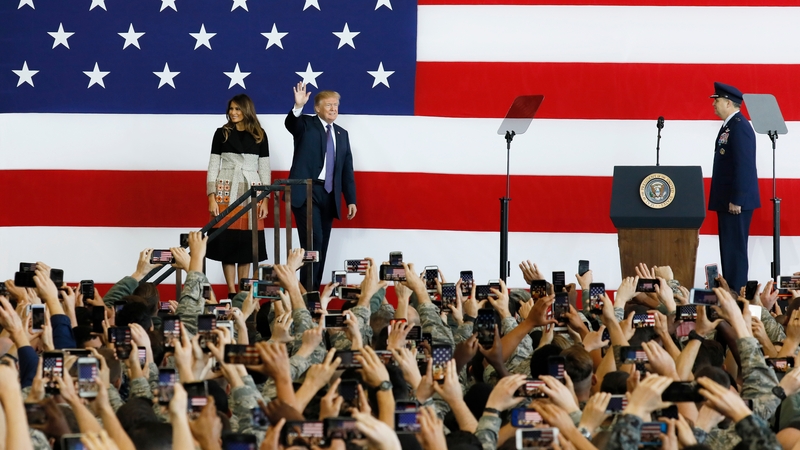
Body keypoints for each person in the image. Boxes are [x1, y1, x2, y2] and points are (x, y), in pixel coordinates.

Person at [285, 82, 357, 291]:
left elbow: (347, 170)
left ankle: (312, 292)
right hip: (306, 192)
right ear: (317, 108)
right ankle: (307, 294)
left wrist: (350, 199)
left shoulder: (342, 134)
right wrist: (297, 107)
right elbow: (292, 124)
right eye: (329, 105)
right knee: (313, 242)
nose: (334, 109)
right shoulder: (305, 124)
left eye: (336, 105)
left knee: (322, 245)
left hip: (330, 195)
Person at [206, 94, 271, 297]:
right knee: (227, 241)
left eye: (237, 109)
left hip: (252, 191)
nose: (233, 113)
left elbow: (265, 169)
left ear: (246, 110)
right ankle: (231, 291)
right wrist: (211, 196)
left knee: (246, 244)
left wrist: (265, 199)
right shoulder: (221, 133)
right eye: (231, 109)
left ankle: (243, 290)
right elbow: (213, 166)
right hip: (226, 190)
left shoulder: (260, 134)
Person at [708, 82, 760, 293]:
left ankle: (737, 297)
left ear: (728, 103)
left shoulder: (740, 126)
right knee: (729, 250)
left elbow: (744, 165)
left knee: (735, 252)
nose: (714, 105)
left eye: (717, 100)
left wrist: (737, 198)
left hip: (735, 202)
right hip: (728, 200)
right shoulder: (730, 125)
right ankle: (731, 293)